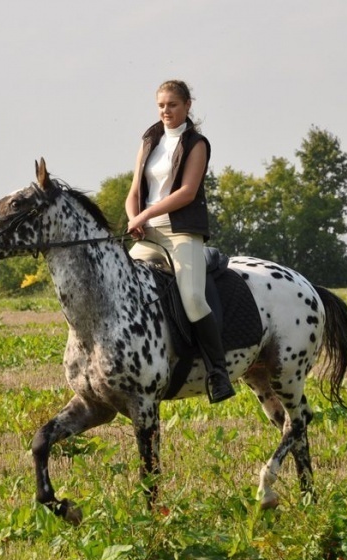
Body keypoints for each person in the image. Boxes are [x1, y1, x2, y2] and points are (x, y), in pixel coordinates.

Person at [125, 80, 235, 403]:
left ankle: (218, 373)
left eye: (172, 105)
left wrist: (144, 216)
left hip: (182, 233)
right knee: (123, 284)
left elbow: (186, 193)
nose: (165, 111)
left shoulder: (197, 143)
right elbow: (134, 192)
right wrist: (135, 217)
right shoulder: (149, 141)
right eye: (161, 105)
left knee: (192, 298)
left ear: (187, 105)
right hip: (148, 236)